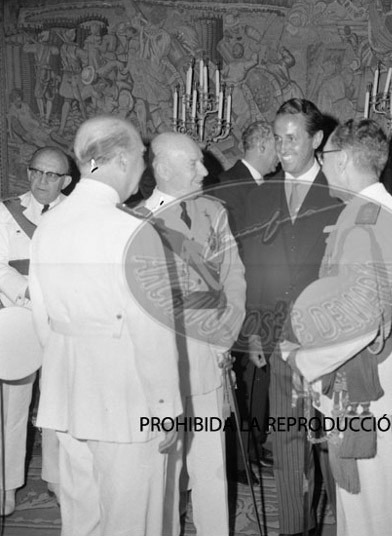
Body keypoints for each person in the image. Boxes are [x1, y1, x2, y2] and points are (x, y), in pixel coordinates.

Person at [29, 116, 182, 536]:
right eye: (141, 157)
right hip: (126, 399)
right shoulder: (131, 230)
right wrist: (166, 408)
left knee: (81, 519)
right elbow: (153, 334)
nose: (143, 168)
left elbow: (42, 317)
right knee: (133, 521)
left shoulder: (50, 224)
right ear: (120, 159)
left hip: (68, 391)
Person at [281, 119, 392, 536]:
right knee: (359, 504)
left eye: (324, 157)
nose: (322, 165)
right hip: (368, 370)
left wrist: (305, 360)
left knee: (372, 510)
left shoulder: (369, 220)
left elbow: (360, 320)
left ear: (341, 159)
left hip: (367, 377)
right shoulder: (372, 211)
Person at [241, 98, 341, 536]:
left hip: (333, 340)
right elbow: (252, 268)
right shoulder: (260, 196)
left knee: (339, 442)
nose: (282, 148)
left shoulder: (342, 191)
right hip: (279, 337)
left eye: (292, 138)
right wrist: (255, 331)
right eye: (277, 139)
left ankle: (348, 523)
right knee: (287, 439)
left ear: (316, 139)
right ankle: (296, 529)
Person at [145, 132, 246, 536]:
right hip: (158, 365)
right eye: (193, 163)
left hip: (208, 355)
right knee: (165, 466)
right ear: (163, 168)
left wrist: (226, 336)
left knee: (211, 464)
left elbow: (234, 277)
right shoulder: (132, 219)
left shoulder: (214, 213)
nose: (205, 171)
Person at [0, 147, 70, 515]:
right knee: (12, 407)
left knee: (60, 404)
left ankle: (57, 478)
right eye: (36, 172)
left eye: (51, 175)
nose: (42, 180)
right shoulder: (5, 211)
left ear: (66, 180)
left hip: (61, 321)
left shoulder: (77, 215)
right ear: (28, 173)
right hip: (19, 316)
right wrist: (31, 293)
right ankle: (6, 484)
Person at [213, 120, 278, 485]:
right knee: (241, 384)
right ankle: (237, 462)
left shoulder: (260, 187)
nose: (281, 157)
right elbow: (235, 259)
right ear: (263, 146)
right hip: (240, 304)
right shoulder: (229, 186)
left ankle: (251, 451)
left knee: (257, 382)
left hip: (262, 301)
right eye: (278, 147)